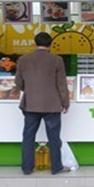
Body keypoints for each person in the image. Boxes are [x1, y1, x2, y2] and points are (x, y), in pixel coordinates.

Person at [15, 32, 70, 175]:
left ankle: (27, 168)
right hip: (52, 104)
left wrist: (30, 90)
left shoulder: (23, 59)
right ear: (50, 44)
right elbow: (61, 84)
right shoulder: (57, 60)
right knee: (54, 137)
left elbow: (18, 83)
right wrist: (65, 103)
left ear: (35, 43)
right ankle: (56, 167)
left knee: (28, 136)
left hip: (30, 103)